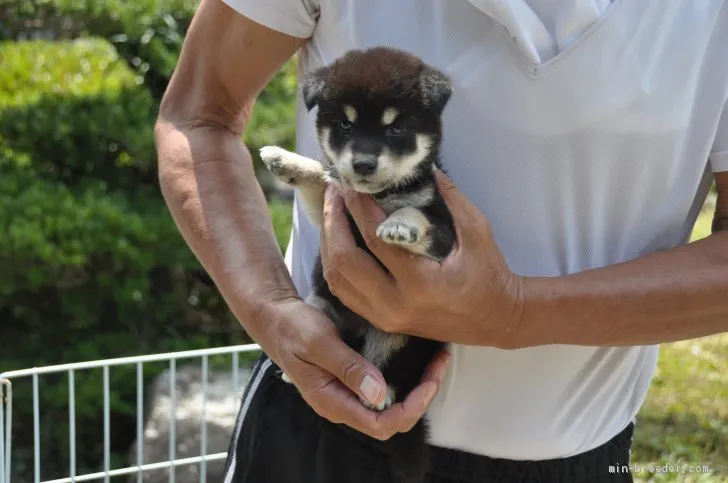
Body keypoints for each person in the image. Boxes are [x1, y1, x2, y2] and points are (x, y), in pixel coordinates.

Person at [153, 0, 728, 481]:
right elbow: (200, 115)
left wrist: (516, 311)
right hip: (320, 426)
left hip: (583, 451)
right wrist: (272, 309)